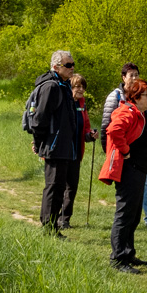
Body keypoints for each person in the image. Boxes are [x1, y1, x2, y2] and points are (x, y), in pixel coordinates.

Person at [99, 79, 147, 273]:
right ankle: (118, 259)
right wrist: (125, 150)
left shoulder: (139, 113)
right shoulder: (127, 111)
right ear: (136, 96)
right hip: (128, 169)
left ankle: (128, 253)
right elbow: (113, 130)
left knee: (134, 214)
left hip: (138, 170)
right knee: (124, 214)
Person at [100, 63, 147, 229]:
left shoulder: (142, 102)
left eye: (137, 74)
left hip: (139, 159)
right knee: (126, 208)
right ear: (123, 77)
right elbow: (110, 128)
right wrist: (120, 151)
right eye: (131, 75)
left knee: (137, 202)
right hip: (126, 160)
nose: (134, 77)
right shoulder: (117, 99)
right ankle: (121, 251)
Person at [31, 50, 78, 238]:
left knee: (59, 187)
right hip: (54, 145)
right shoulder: (50, 87)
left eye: (73, 64)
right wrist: (40, 142)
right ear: (56, 66)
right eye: (68, 65)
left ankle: (53, 226)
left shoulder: (64, 85)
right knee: (53, 187)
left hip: (63, 145)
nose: (72, 68)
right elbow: (39, 119)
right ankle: (48, 228)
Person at [58, 74, 97, 230]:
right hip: (61, 151)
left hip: (76, 152)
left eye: (83, 87)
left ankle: (65, 219)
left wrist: (90, 134)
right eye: (77, 86)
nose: (81, 90)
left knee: (72, 186)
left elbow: (85, 125)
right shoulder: (64, 103)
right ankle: (53, 217)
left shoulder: (82, 103)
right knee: (59, 186)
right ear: (70, 88)